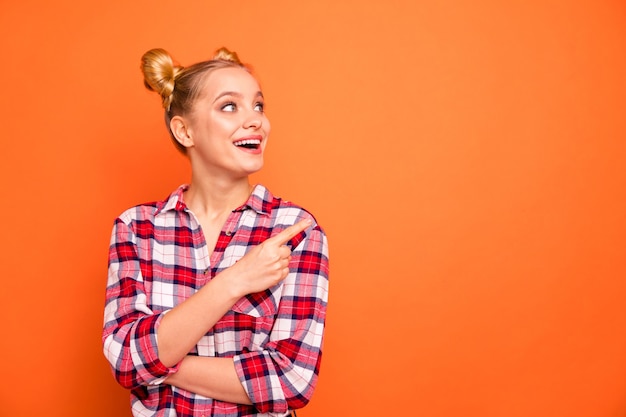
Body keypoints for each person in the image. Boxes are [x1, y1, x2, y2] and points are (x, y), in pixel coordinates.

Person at [102, 46, 329, 417]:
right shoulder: (136, 228)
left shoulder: (296, 231)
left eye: (258, 105)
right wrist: (235, 281)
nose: (256, 120)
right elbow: (125, 359)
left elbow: (291, 380)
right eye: (229, 106)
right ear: (185, 130)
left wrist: (159, 364)